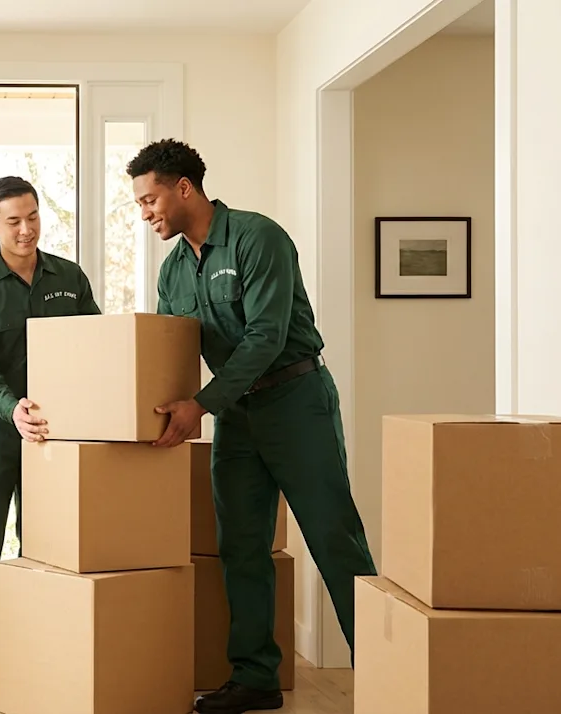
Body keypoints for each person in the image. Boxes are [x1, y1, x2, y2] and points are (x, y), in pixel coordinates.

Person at [127, 139, 377, 714]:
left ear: (183, 187)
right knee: (240, 545)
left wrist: (200, 405)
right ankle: (256, 676)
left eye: (150, 200)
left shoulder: (257, 237)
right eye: (139, 205)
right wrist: (154, 406)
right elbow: (173, 348)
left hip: (296, 400)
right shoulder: (172, 271)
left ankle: (392, 671)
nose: (145, 213)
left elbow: (266, 337)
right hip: (236, 415)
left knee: (333, 537)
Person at [0, 175, 101, 692]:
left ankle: (45, 641)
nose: (26, 229)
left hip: (59, 433)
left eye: (33, 217)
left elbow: (97, 344)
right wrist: (12, 408)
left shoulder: (69, 276)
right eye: (13, 221)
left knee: (49, 542)